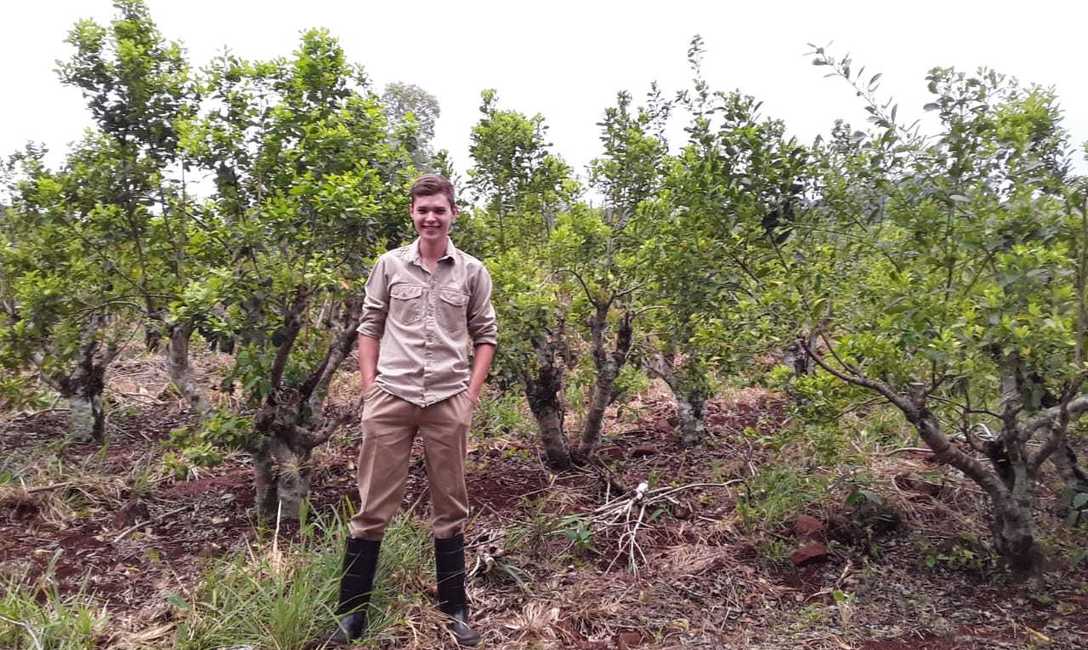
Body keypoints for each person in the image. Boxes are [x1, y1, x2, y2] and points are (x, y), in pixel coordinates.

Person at [332, 174, 497, 647]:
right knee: (372, 507)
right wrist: (370, 388)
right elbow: (370, 325)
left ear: (453, 213)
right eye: (423, 210)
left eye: (439, 210)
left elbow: (485, 335)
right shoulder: (389, 266)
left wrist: (470, 395)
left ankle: (456, 611)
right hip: (391, 398)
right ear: (412, 213)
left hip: (447, 400)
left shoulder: (471, 271)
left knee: (451, 506)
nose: (431, 217)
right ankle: (352, 614)